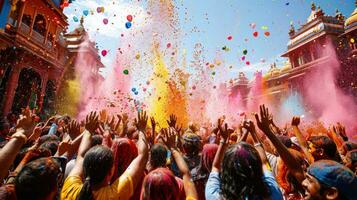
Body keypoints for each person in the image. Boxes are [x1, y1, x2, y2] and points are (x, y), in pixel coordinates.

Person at [61, 111, 149, 200]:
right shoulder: (113, 195)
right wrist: (141, 130)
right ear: (111, 171)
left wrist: (88, 130)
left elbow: (81, 156)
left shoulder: (70, 188)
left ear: (84, 169)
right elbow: (142, 156)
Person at [205, 117, 283, 200]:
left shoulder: (215, 196)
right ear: (257, 167)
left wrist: (223, 140)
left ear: (226, 170)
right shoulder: (272, 193)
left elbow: (215, 167)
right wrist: (253, 133)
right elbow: (265, 164)